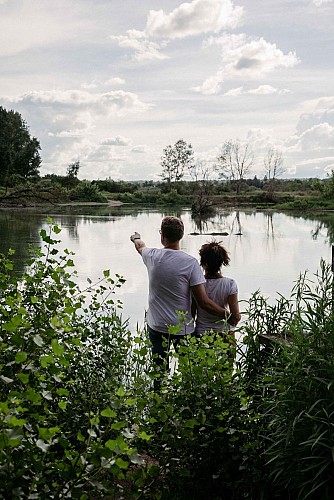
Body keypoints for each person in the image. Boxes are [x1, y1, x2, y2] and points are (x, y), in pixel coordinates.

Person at [130, 216, 228, 370]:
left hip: (157, 326)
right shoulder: (191, 263)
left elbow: (140, 246)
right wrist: (227, 315)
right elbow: (203, 302)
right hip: (183, 329)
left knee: (159, 372)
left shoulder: (152, 256)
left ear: (162, 237)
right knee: (189, 371)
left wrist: (136, 238)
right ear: (181, 236)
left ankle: (159, 393)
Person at [193, 240, 241, 344]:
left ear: (204, 264)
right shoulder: (230, 284)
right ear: (221, 263)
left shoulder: (196, 286)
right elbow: (236, 316)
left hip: (202, 334)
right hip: (226, 334)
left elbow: (192, 314)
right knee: (227, 361)